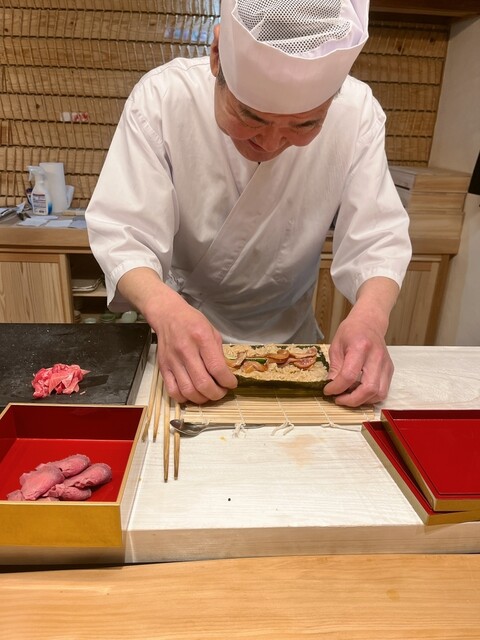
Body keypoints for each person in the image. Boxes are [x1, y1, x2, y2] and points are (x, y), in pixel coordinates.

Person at [85, 0, 412, 408]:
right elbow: (124, 233)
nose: (270, 143)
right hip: (184, 342)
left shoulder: (358, 113)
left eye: (305, 124)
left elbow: (378, 239)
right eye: (251, 117)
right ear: (217, 56)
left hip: (294, 348)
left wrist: (371, 319)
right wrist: (163, 309)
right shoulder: (163, 99)